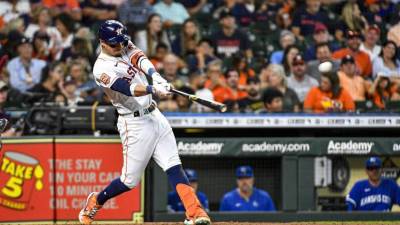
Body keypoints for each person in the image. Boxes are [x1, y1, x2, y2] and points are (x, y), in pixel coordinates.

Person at [78, 20, 210, 225]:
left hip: (155, 115)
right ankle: (97, 200)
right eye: (115, 44)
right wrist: (153, 89)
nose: (120, 46)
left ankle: (196, 213)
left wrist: (156, 77)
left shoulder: (122, 43)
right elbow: (126, 88)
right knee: (129, 181)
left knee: (174, 165)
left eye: (122, 42)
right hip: (134, 123)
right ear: (102, 43)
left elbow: (139, 58)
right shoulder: (100, 69)